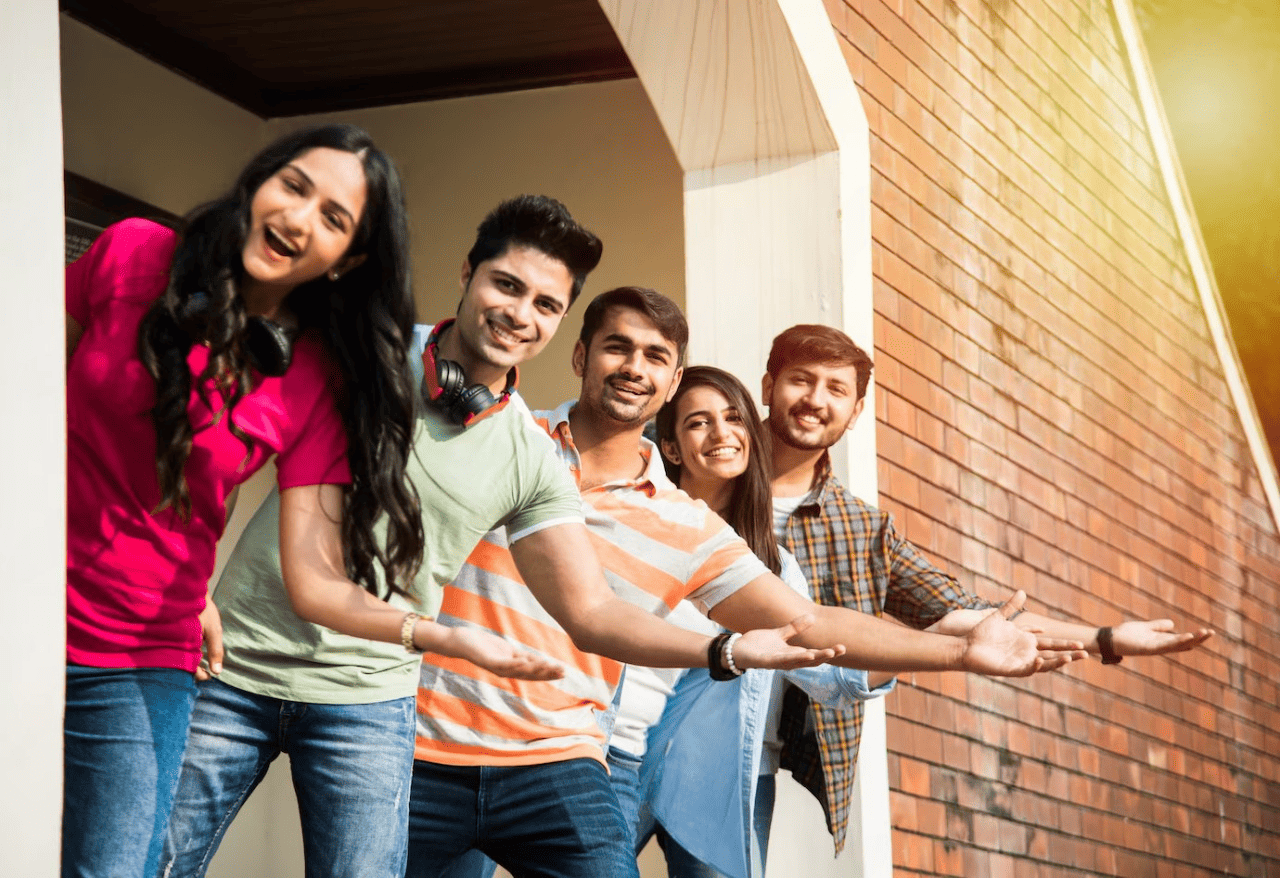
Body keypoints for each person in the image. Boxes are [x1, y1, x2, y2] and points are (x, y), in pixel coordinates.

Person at [404, 287, 1084, 878]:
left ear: (670, 383)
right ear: (580, 358)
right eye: (617, 348)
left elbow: (810, 625)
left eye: (655, 358)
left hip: (557, 765)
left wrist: (962, 653)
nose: (634, 368)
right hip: (421, 750)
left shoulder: (686, 526)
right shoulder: (504, 436)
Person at [160, 194, 603, 878]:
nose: (521, 313)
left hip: (367, 697)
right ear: (467, 273)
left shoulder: (533, 458)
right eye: (507, 284)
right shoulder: (357, 349)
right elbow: (198, 436)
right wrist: (186, 583)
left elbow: (593, 609)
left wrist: (722, 647)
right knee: (143, 860)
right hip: (229, 663)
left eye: (547, 305)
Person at [63, 123, 434, 878]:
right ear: (259, 182)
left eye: (333, 218)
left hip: (137, 653)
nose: (299, 217)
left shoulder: (316, 378)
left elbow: (312, 574)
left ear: (349, 260)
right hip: (21, 597)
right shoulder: (132, 252)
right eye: (294, 186)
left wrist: (438, 635)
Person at [762, 323, 1216, 855]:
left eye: (836, 389)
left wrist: (1105, 637)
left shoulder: (862, 530)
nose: (815, 400)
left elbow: (976, 617)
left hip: (750, 756)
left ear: (857, 411)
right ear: (769, 385)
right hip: (646, 722)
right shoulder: (701, 470)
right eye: (801, 380)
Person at [605, 365, 894, 878]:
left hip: (722, 772)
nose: (721, 434)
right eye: (698, 423)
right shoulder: (633, 525)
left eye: (735, 418)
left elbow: (823, 673)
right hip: (616, 752)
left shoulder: (774, 567)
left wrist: (912, 651)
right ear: (670, 448)